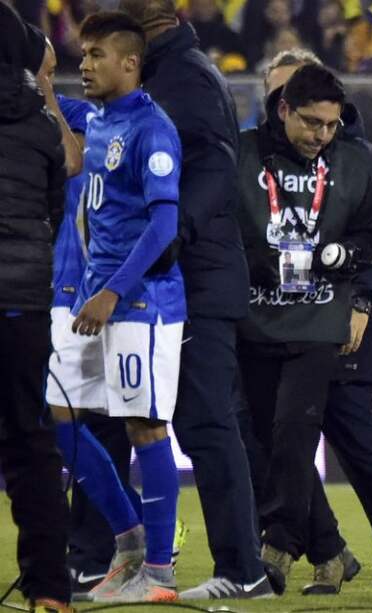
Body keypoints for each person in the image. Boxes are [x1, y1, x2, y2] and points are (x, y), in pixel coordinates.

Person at [116, 0, 274, 600]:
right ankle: (112, 558)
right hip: (165, 273)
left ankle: (244, 569)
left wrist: (170, 234)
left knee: (206, 423)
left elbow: (216, 169)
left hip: (197, 275)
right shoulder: (159, 72)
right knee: (146, 418)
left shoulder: (187, 76)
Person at [256, 49, 372, 594]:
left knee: (353, 439)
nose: (282, 105)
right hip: (277, 325)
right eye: (277, 95)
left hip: (345, 320)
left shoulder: (359, 160)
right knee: (283, 439)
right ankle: (327, 548)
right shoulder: (259, 159)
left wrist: (362, 302)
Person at [232, 63, 372, 594]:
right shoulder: (243, 152)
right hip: (254, 320)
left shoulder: (353, 161)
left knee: (294, 435)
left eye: (331, 125)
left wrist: (347, 257)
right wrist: (254, 261)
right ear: (283, 110)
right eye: (312, 123)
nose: (322, 135)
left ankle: (276, 546)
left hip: (320, 320)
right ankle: (331, 552)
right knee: (268, 444)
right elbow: (223, 223)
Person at [47, 11, 185, 603]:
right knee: (57, 414)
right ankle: (127, 541)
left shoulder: (153, 129)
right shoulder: (98, 118)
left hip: (141, 302)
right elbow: (52, 118)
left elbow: (164, 225)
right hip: (92, 299)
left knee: (146, 427)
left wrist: (113, 292)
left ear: (130, 61)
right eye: (82, 53)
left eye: (96, 54)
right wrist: (46, 81)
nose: (86, 63)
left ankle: (158, 573)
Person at [0, 4, 73, 611]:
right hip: (24, 301)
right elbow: (54, 207)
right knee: (30, 438)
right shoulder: (41, 123)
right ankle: (49, 588)